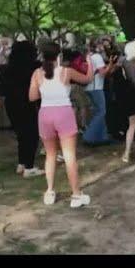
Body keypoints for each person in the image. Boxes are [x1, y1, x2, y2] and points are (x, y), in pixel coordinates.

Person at [29, 43, 93, 208]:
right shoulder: (66, 72)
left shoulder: (37, 73)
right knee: (69, 156)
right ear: (59, 56)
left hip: (45, 114)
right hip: (64, 113)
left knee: (51, 155)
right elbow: (87, 78)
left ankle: (50, 191)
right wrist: (90, 62)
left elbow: (32, 97)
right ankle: (76, 195)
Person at [0, 41, 45, 177]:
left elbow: (0, 90)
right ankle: (29, 166)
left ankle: (22, 163)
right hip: (28, 103)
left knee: (21, 135)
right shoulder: (35, 67)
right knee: (32, 134)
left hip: (12, 104)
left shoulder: (5, 69)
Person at [82, 39, 116, 146]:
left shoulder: (89, 56)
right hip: (96, 87)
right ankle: (89, 136)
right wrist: (110, 64)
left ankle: (102, 137)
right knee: (101, 112)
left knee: (98, 111)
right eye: (101, 45)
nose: (103, 47)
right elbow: (103, 73)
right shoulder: (97, 57)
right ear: (98, 46)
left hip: (88, 87)